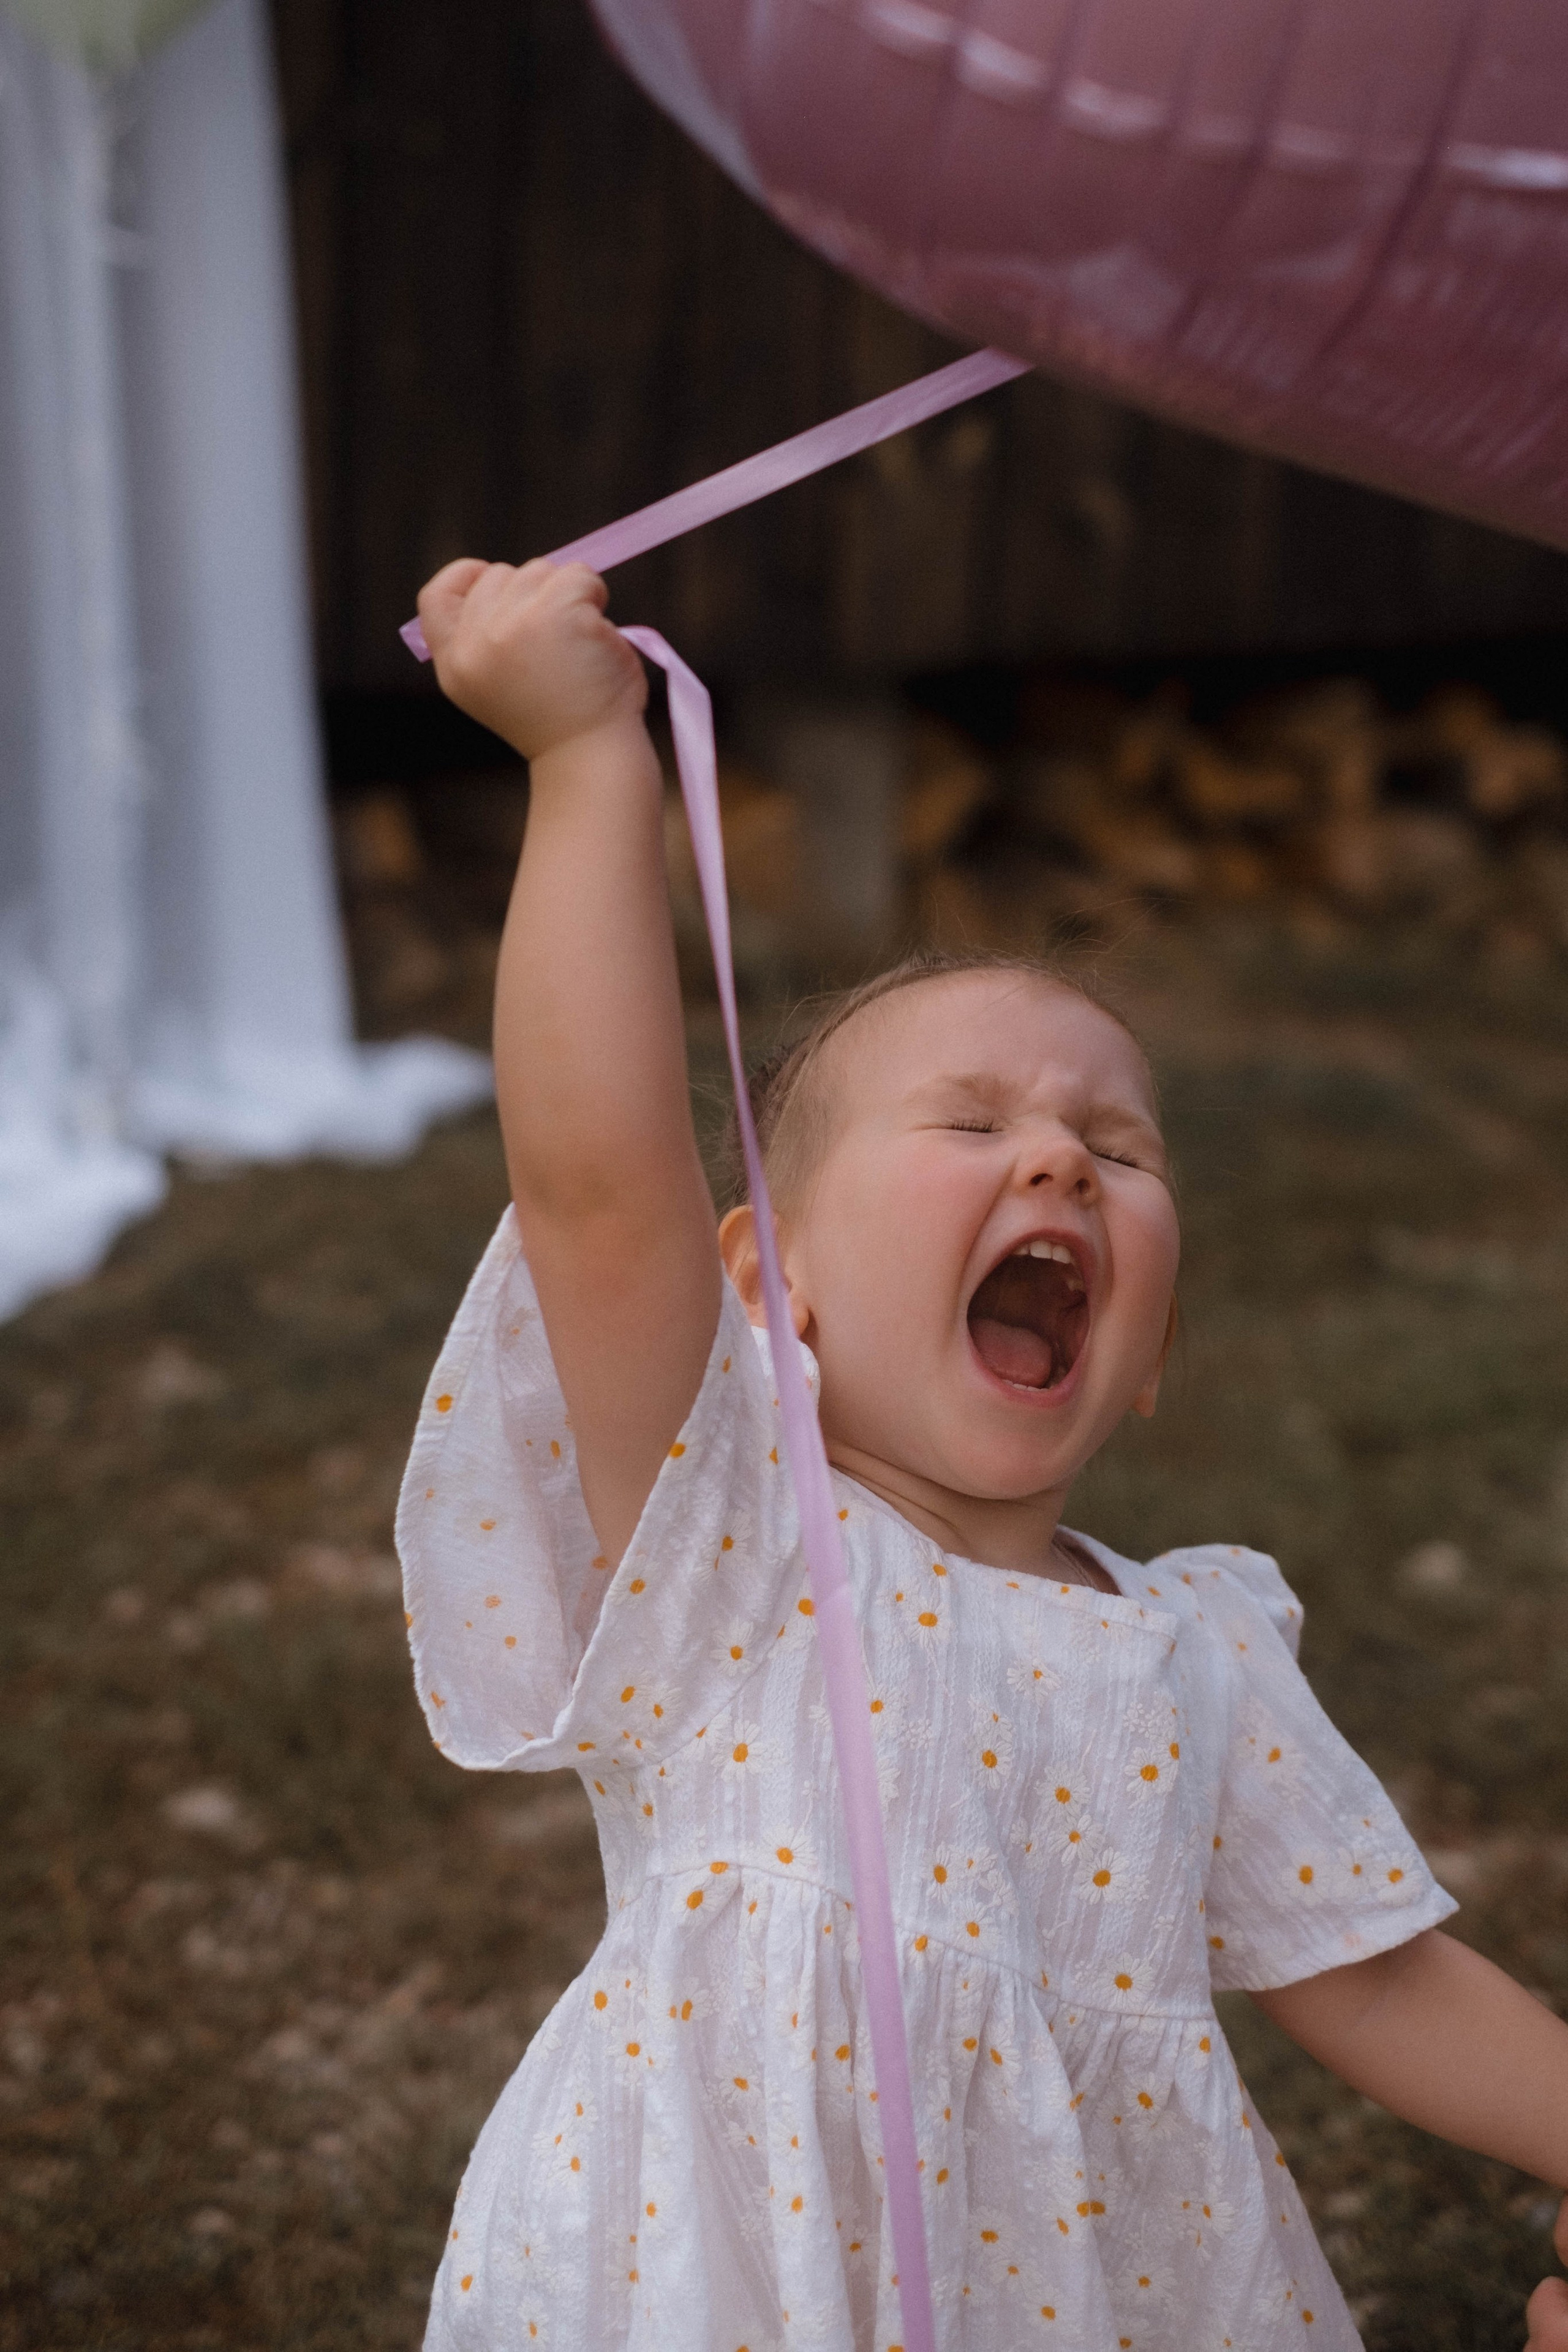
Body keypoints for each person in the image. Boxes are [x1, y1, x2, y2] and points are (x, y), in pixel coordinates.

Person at [400, 553, 1568, 2352]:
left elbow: (1383, 1977)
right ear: (767, 1289)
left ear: (1150, 1356)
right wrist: (582, 762)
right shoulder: (734, 1542)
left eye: (1120, 1146)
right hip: (737, 2274)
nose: (1060, 1159)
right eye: (969, 1123)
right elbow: (596, 1184)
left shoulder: (1199, 1649)